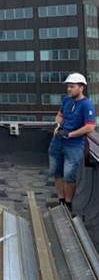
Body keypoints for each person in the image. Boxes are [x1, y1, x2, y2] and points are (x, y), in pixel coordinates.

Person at [48, 72, 96, 210]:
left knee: (69, 176)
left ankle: (68, 204)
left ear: (81, 87)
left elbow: (90, 126)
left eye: (72, 86)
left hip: (74, 145)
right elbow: (60, 115)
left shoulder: (86, 104)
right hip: (58, 141)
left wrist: (70, 134)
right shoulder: (66, 100)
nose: (69, 89)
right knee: (56, 172)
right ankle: (61, 199)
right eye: (68, 86)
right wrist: (58, 125)